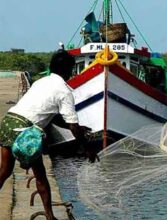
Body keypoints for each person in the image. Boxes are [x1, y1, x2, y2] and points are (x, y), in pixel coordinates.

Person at [0, 49, 97, 220]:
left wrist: (77, 127)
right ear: (68, 70)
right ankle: (50, 216)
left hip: (8, 121)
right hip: (25, 131)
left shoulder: (42, 82)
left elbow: (55, 117)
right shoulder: (65, 91)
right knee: (40, 175)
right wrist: (88, 148)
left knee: (5, 171)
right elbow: (72, 126)